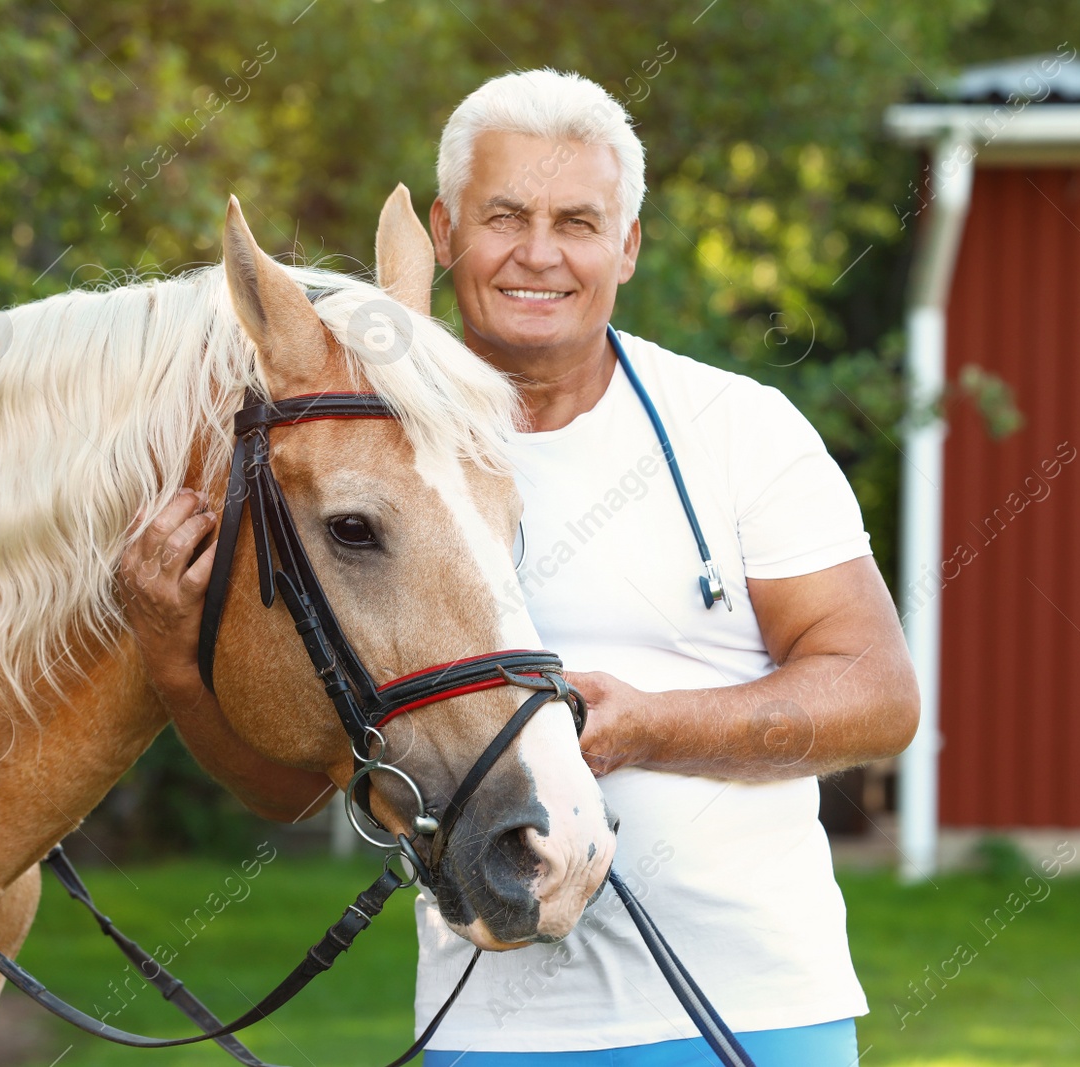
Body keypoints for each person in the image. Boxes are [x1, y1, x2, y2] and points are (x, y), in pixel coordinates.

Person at [121, 69, 918, 1066]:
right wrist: (170, 654)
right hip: (489, 1029)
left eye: (578, 221)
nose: (539, 254)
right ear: (445, 233)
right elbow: (287, 788)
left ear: (626, 246)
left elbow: (879, 697)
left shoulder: (740, 430)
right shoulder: (371, 470)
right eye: (506, 216)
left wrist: (649, 724)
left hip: (752, 1013)